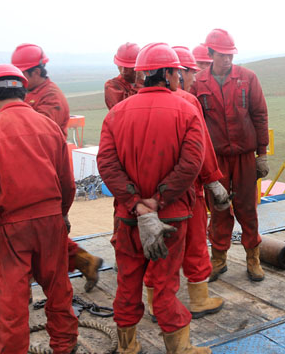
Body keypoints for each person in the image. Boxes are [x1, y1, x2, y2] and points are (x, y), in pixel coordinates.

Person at [97, 43, 208, 353]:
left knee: (127, 283)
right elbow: (191, 163)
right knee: (165, 284)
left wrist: (136, 204)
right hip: (171, 218)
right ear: (170, 74)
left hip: (129, 219)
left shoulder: (117, 113)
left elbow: (106, 163)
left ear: (142, 75)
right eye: (177, 73)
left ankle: (128, 347)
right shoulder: (187, 110)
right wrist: (159, 201)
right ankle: (179, 348)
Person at [0, 64, 78, 353]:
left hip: (14, 228)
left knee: (12, 297)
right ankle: (65, 345)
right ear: (23, 92)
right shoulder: (49, 126)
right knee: (58, 289)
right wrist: (62, 213)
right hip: (51, 221)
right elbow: (67, 180)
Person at [144, 46, 228, 321]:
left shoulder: (138, 102)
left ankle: (154, 302)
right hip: (188, 190)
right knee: (195, 244)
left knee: (157, 248)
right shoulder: (187, 102)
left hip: (149, 194)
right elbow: (200, 149)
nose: (193, 77)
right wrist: (213, 180)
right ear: (178, 73)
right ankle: (199, 299)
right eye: (191, 71)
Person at [11, 43, 104, 292]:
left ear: (36, 71)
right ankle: (85, 262)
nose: (19, 81)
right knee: (41, 232)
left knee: (37, 231)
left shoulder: (52, 97)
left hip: (44, 171)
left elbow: (37, 132)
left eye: (22, 75)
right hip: (27, 170)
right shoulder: (29, 94)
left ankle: (22, 290)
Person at [190, 29, 269, 282]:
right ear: (211, 53)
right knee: (219, 208)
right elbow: (194, 124)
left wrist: (262, 153)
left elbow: (260, 115)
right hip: (215, 159)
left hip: (244, 156)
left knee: (247, 208)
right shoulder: (198, 83)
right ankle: (219, 259)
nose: (227, 59)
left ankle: (253, 258)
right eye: (222, 55)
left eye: (230, 55)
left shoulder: (248, 78)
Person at [104, 42, 145, 109]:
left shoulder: (149, 84)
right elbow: (124, 109)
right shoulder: (112, 86)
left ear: (137, 66)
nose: (123, 71)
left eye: (127, 67)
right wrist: (140, 81)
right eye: (120, 65)